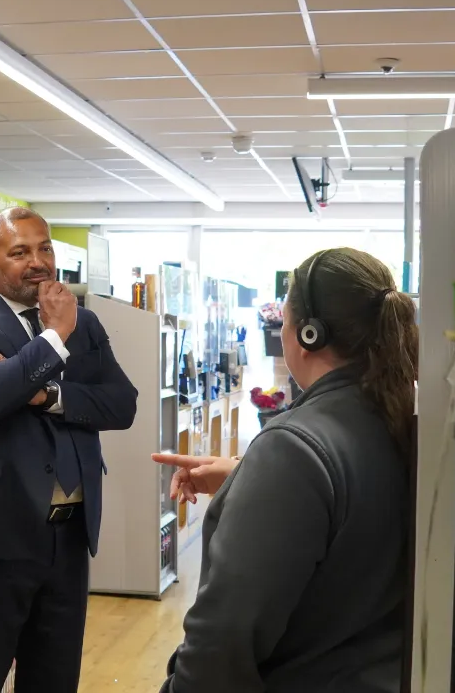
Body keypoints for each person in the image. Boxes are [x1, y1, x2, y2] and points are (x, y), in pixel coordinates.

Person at [153, 247, 418, 693]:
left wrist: (269, 473)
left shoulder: (293, 451)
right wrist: (245, 477)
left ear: (307, 334)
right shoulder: (397, 417)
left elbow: (223, 640)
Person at [0, 207, 137, 693]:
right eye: (19, 252)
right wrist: (55, 336)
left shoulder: (85, 323)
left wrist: (46, 395)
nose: (37, 261)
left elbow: (121, 405)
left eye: (44, 248)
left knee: (54, 680)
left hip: (68, 540)